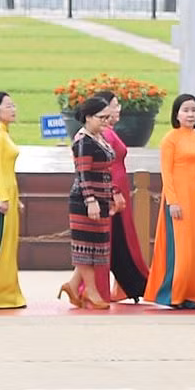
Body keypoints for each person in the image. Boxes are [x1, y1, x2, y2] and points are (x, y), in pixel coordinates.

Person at [147, 93, 195, 309]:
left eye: (193, 110)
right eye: (185, 110)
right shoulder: (170, 139)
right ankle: (172, 293)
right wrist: (172, 202)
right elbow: (166, 173)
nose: (190, 114)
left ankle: (193, 294)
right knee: (181, 250)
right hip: (178, 199)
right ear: (176, 113)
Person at [62, 94, 116, 311]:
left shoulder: (99, 138)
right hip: (85, 200)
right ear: (88, 117)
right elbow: (82, 173)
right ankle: (90, 291)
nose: (105, 122)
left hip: (102, 198)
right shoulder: (83, 141)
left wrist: (110, 195)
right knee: (86, 248)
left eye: (107, 118)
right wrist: (91, 200)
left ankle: (73, 285)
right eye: (101, 118)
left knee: (96, 247)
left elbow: (106, 170)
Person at [100, 97, 151, 303]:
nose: (118, 109)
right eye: (114, 105)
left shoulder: (110, 132)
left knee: (121, 238)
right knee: (114, 239)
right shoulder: (102, 134)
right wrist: (113, 191)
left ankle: (131, 284)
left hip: (119, 189)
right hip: (112, 192)